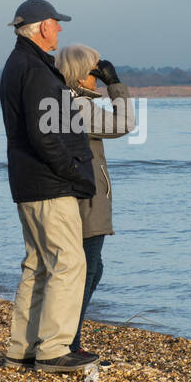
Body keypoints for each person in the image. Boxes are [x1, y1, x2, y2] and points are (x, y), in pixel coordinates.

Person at [0, 0, 99, 374]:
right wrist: (73, 173)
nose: (59, 30)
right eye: (57, 24)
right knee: (69, 262)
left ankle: (22, 349)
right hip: (48, 185)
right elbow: (45, 136)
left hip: (28, 183)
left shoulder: (18, 65)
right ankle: (54, 349)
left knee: (38, 265)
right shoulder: (37, 70)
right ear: (42, 26)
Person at [55, 44, 136, 358]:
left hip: (78, 195)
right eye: (95, 72)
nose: (97, 78)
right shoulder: (78, 107)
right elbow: (125, 124)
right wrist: (115, 84)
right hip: (87, 200)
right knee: (86, 271)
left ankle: (66, 339)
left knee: (91, 268)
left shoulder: (61, 102)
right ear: (80, 74)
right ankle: (69, 344)